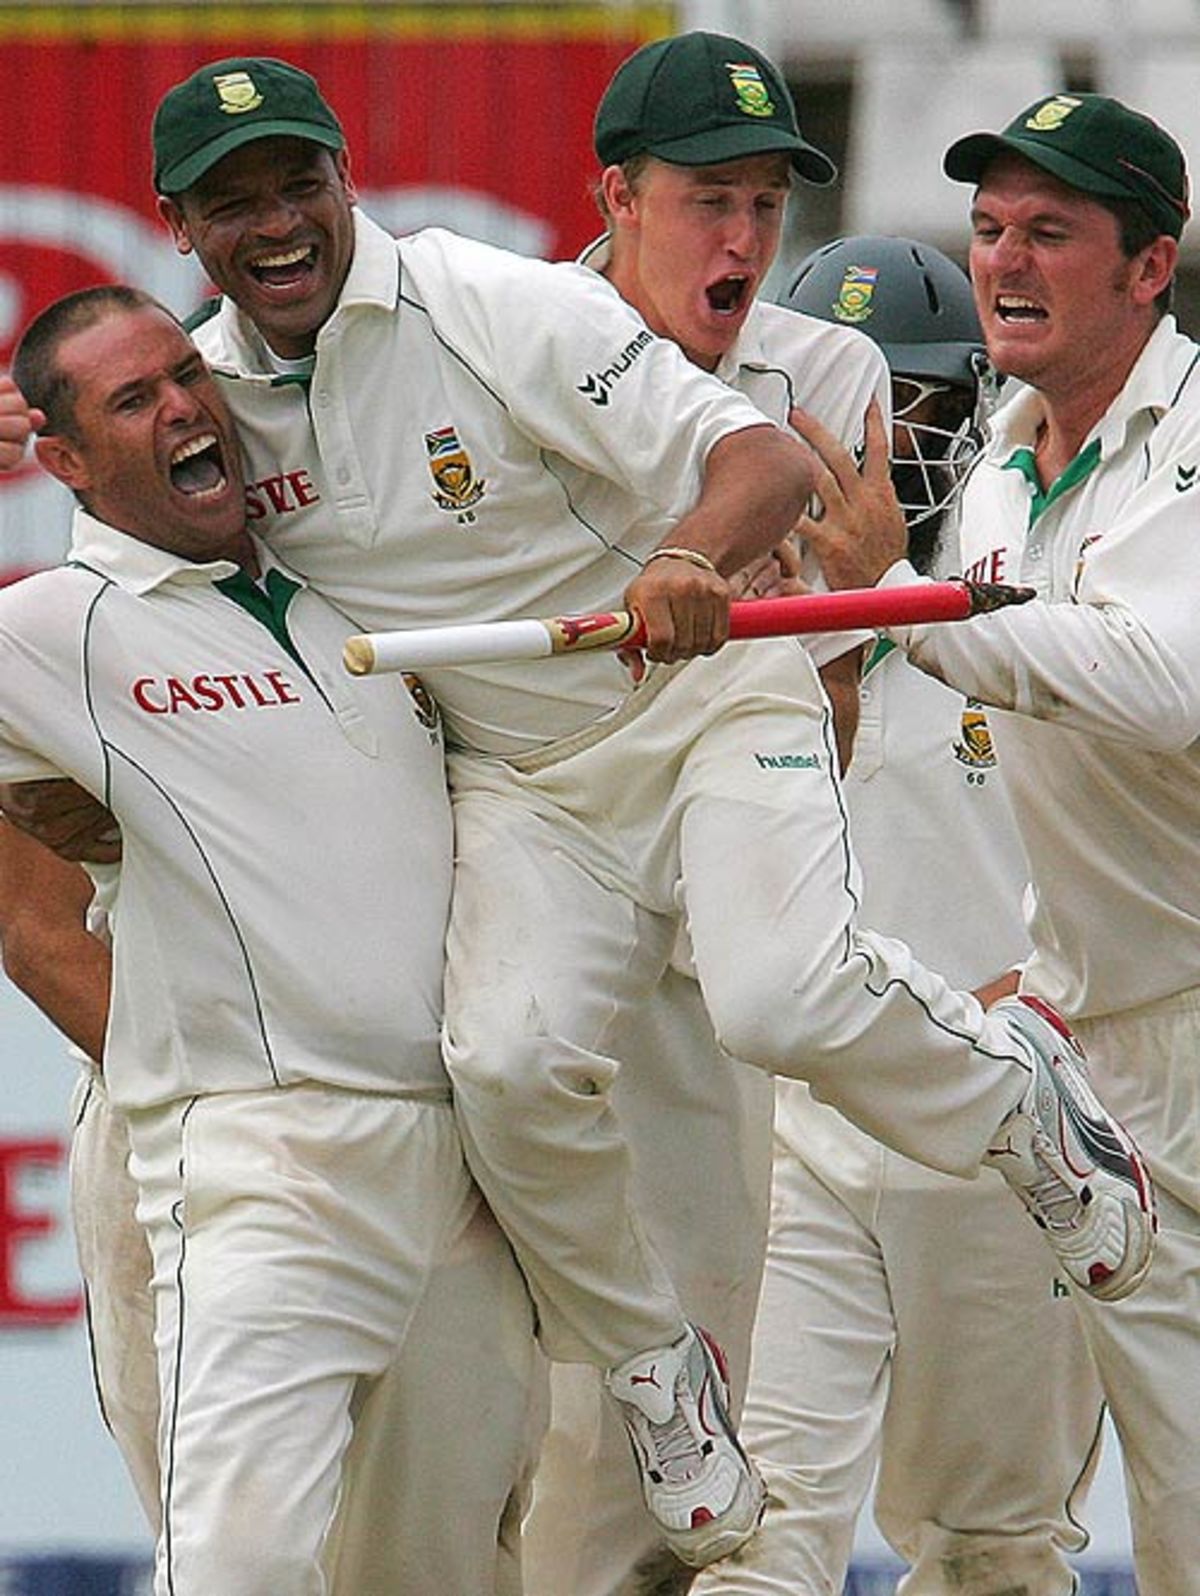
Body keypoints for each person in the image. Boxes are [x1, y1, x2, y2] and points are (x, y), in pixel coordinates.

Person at [1, 52, 1156, 1573]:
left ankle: (1024, 1109)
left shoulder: (488, 302)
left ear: (349, 179)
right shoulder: (211, 398)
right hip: (523, 793)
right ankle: (651, 1365)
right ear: (182, 227)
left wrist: (688, 560)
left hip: (695, 707)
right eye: (235, 204)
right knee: (513, 1063)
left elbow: (748, 462)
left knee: (781, 994)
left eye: (300, 183)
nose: (276, 222)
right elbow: (126, 533)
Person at [3, 285, 539, 1596]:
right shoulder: (51, 626)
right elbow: (29, 908)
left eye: (189, 374)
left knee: (443, 1570)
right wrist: (190, 1059)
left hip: (459, 1155)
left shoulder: (364, 602)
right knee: (240, 1562)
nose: (186, 405)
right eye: (135, 398)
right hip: (252, 1153)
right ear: (62, 460)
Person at [795, 95, 1200, 1595]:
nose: (1007, 262)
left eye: (1052, 232)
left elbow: (1161, 688)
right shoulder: (1001, 471)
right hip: (1094, 1065)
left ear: (1149, 265)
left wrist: (891, 605)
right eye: (989, 231)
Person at [522, 36, 890, 1595]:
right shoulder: (490, 343)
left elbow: (843, 727)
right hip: (520, 901)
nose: (743, 241)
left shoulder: (830, 378)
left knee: (672, 1461)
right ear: (615, 194)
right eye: (706, 202)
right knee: (492, 1439)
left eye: (765, 206)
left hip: (704, 973)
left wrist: (856, 612)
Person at [694, 235, 1107, 1596]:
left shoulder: (1040, 589)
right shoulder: (716, 610)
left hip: (1003, 1124)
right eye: (815, 424)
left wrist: (887, 604)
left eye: (905, 411)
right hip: (793, 1127)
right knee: (758, 1535)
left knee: (992, 1550)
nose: (858, 457)